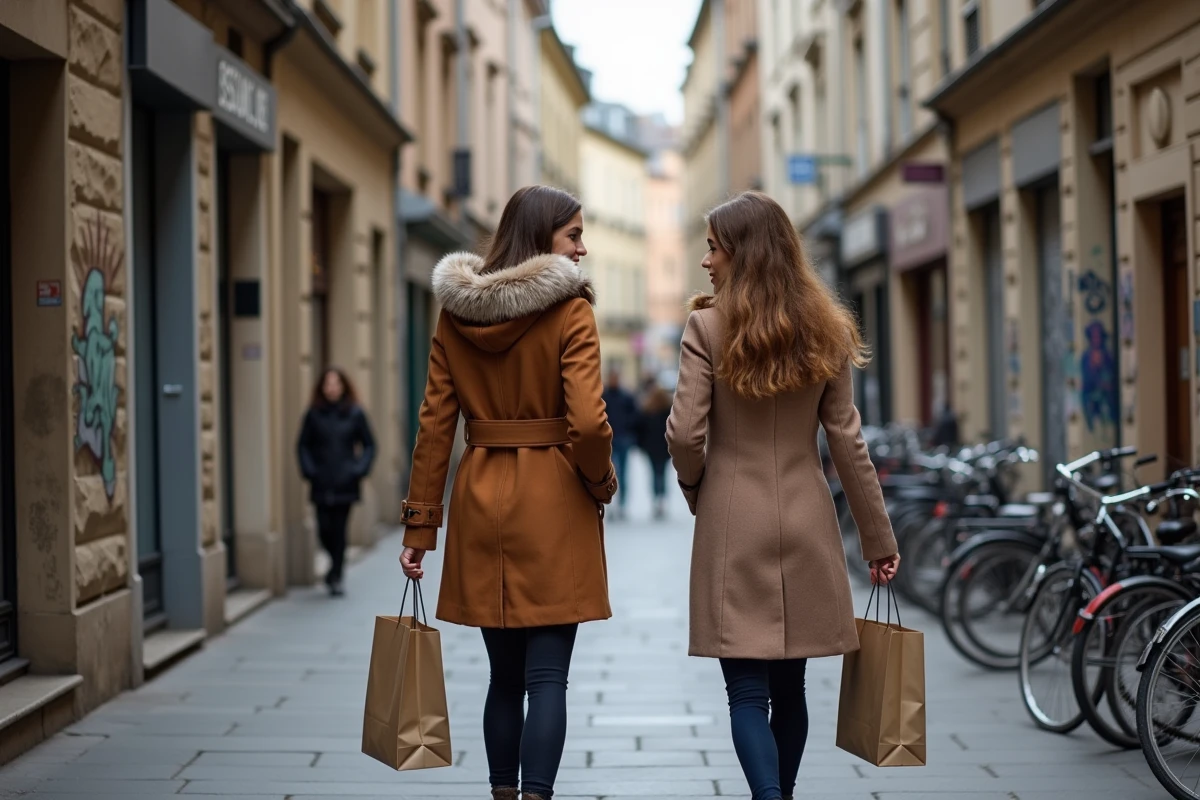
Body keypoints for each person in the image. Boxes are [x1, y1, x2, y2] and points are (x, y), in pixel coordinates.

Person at [666, 191, 901, 800]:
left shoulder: (706, 326)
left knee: (745, 691)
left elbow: (685, 434)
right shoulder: (826, 327)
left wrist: (698, 489)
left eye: (713, 248)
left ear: (740, 253)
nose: (706, 262)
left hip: (731, 519)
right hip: (806, 517)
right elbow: (849, 443)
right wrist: (878, 539)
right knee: (789, 689)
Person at [398, 185, 617, 800]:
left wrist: (420, 526)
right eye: (573, 234)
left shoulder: (455, 313)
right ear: (542, 237)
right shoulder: (571, 309)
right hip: (553, 496)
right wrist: (600, 481)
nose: (582, 246)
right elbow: (589, 423)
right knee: (549, 677)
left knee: (504, 678)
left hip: (480, 490)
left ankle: (500, 793)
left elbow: (435, 426)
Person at [296, 367, 376, 597]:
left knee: (339, 531)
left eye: (336, 384)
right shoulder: (314, 414)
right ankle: (334, 566)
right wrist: (310, 471)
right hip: (321, 482)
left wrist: (358, 470)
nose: (331, 388)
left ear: (343, 387)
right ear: (322, 388)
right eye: (327, 384)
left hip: (345, 483)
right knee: (323, 529)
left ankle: (337, 576)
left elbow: (370, 445)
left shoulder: (355, 413)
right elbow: (302, 445)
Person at [601, 369, 637, 519]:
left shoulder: (626, 396)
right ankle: (611, 503)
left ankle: (621, 505)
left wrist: (627, 428)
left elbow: (635, 415)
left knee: (623, 472)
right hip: (608, 439)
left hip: (623, 438)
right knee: (609, 472)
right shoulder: (604, 396)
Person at [636, 381, 673, 520]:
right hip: (664, 448)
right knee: (661, 473)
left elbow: (640, 429)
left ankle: (656, 498)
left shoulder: (647, 410)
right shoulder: (667, 410)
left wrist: (641, 446)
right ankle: (661, 499)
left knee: (654, 474)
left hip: (651, 448)